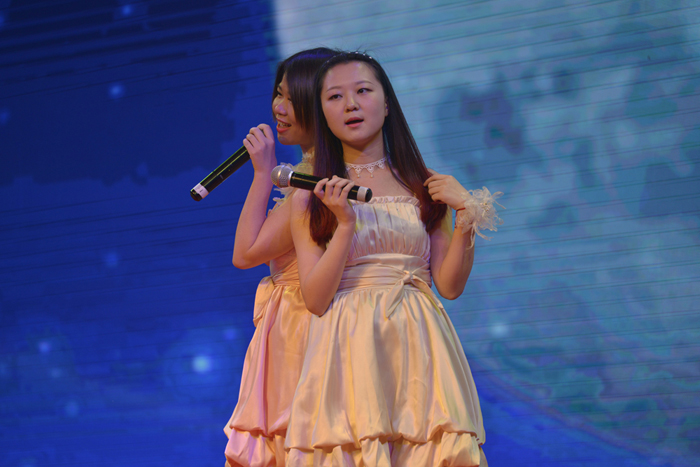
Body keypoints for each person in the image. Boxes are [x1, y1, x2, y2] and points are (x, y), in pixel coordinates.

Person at [285, 51, 502, 466]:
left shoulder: (424, 184)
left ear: (386, 104)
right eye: (335, 97)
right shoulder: (310, 194)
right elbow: (314, 299)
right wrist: (345, 225)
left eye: (363, 91)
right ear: (323, 113)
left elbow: (449, 285)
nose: (351, 104)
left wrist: (466, 216)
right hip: (349, 345)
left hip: (420, 341)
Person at [222, 47, 336, 467]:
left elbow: (246, 253)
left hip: (301, 328)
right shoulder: (313, 173)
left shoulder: (311, 179)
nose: (278, 107)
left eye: (291, 98)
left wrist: (261, 172)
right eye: (277, 94)